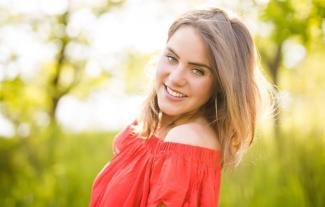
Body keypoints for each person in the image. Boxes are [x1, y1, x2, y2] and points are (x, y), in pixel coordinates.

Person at [89, 7, 272, 207]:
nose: (175, 78)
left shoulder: (186, 140)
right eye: (171, 58)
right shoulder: (154, 128)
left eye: (197, 71)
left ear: (221, 84)